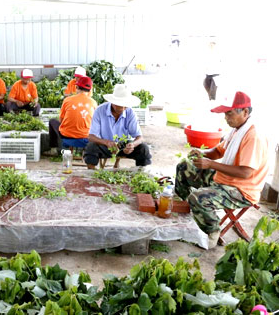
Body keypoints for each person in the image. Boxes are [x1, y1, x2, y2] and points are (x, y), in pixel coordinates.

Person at [175, 91, 268, 248]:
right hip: (225, 179)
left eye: (229, 114)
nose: (226, 118)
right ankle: (186, 209)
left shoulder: (253, 136)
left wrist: (210, 164)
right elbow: (217, 152)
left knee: (198, 198)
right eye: (225, 114)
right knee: (184, 166)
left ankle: (212, 232)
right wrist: (202, 153)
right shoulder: (237, 130)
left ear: (245, 112)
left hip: (241, 190)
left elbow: (245, 173)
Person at [84, 84, 152, 169]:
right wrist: (107, 142)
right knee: (91, 147)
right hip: (105, 146)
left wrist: (132, 145)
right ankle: (91, 174)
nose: (123, 108)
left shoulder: (130, 112)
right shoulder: (100, 111)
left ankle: (142, 175)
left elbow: (140, 137)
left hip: (123, 147)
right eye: (120, 105)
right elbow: (91, 137)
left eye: (125, 105)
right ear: (113, 102)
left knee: (144, 149)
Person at [49, 76, 97, 151]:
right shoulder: (93, 103)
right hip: (86, 138)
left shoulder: (67, 100)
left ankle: (53, 149)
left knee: (52, 122)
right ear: (90, 90)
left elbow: (61, 120)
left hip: (67, 137)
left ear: (77, 87)